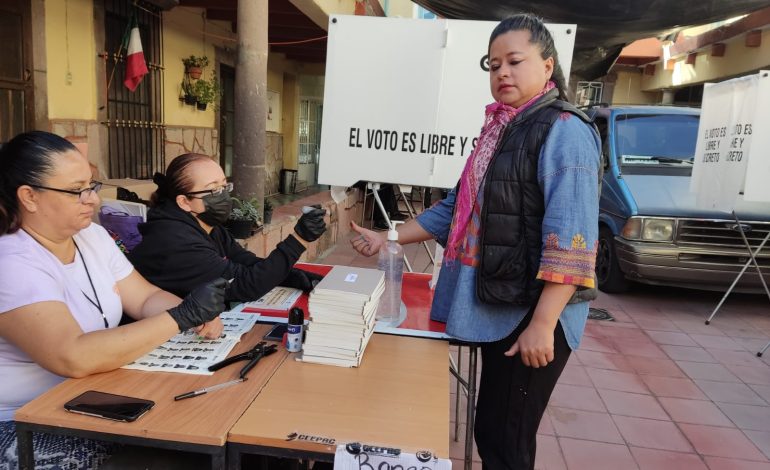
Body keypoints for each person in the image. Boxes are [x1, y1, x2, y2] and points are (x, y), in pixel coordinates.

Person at [350, 14, 601, 470]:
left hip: (530, 312)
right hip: (500, 303)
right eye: (493, 64)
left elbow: (573, 237)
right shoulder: (502, 127)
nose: (502, 72)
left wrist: (543, 323)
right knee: (493, 430)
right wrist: (387, 236)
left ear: (547, 66)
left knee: (506, 442)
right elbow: (456, 208)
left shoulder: (564, 129)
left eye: (515, 61)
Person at [0, 132, 228, 468]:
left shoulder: (91, 236)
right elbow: (72, 356)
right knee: (178, 455)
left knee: (207, 423)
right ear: (29, 197)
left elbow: (144, 296)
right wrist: (181, 317)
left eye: (91, 186)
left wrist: (192, 312)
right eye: (77, 191)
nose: (92, 200)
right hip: (22, 419)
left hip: (89, 396)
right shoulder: (12, 259)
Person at [128, 153, 328, 304]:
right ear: (184, 202)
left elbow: (247, 263)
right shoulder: (175, 241)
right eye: (214, 190)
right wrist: (299, 239)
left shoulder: (207, 226)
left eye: (224, 186)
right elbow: (245, 285)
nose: (223, 196)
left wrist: (295, 277)